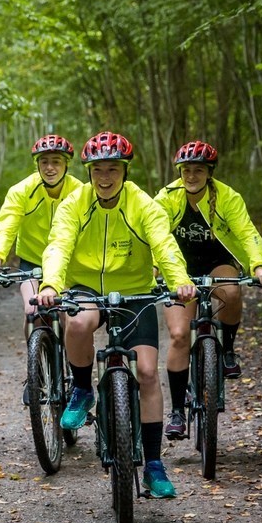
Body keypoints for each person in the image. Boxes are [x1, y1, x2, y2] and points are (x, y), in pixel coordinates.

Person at [36, 131, 196, 498]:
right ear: (89, 173)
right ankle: (81, 389)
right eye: (97, 170)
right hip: (86, 287)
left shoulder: (142, 204)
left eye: (112, 169)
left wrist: (180, 281)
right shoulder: (75, 203)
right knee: (77, 322)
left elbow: (164, 245)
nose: (104, 177)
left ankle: (154, 464)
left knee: (145, 372)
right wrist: (50, 285)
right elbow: (59, 244)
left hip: (135, 290)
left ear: (124, 171)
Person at [153, 140, 262, 441]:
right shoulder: (167, 197)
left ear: (209, 173)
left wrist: (259, 266)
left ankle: (228, 350)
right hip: (178, 267)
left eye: (198, 170)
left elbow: (246, 232)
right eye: (186, 170)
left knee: (231, 293)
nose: (191, 176)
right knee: (180, 335)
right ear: (178, 171)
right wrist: (155, 268)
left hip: (217, 262)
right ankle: (178, 412)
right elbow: (155, 234)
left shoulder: (227, 197)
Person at [0, 133, 84, 326]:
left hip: (68, 263)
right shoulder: (22, 191)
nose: (50, 167)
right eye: (44, 162)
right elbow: (6, 226)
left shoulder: (80, 191)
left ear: (66, 164)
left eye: (56, 162)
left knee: (68, 314)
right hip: (32, 260)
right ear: (37, 164)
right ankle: (35, 353)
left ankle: (71, 356)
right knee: (32, 311)